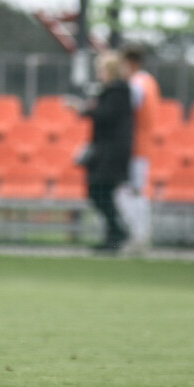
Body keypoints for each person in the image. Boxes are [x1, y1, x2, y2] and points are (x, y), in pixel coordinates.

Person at [72, 51, 133, 252]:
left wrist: (86, 109)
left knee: (101, 192)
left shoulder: (118, 91)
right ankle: (114, 235)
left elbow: (106, 115)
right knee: (100, 193)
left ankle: (116, 234)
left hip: (111, 153)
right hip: (105, 152)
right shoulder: (110, 91)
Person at [117, 44, 159, 251]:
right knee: (135, 192)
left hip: (135, 146)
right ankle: (140, 236)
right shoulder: (149, 82)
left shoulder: (136, 84)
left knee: (131, 192)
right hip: (142, 145)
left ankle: (138, 236)